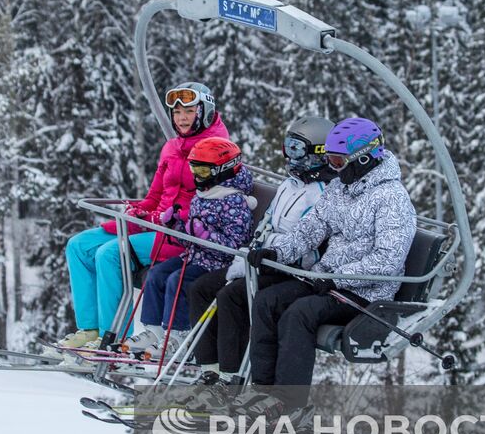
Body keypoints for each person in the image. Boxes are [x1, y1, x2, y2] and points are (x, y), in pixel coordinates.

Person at [243, 117, 416, 411]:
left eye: (337, 162)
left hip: (367, 293)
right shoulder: (340, 189)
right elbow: (312, 228)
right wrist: (276, 252)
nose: (333, 169)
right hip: (327, 281)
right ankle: (262, 392)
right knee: (267, 301)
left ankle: (289, 404)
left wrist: (339, 278)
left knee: (299, 313)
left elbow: (388, 258)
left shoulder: (391, 198)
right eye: (330, 161)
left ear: (362, 159)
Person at [58, 83, 231, 349]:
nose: (182, 118)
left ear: (204, 111)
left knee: (110, 254)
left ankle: (113, 336)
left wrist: (162, 219)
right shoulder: (172, 148)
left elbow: (213, 206)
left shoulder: (217, 151)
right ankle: (89, 329)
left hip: (182, 235)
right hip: (155, 225)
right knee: (78, 245)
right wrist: (140, 212)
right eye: (176, 112)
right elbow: (155, 195)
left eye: (188, 111)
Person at [186, 117, 335, 380]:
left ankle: (231, 378)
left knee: (233, 295)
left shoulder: (324, 193)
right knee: (202, 287)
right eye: (287, 147)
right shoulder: (290, 185)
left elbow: (306, 241)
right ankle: (209, 369)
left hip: (289, 267)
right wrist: (251, 248)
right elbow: (267, 221)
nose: (291, 156)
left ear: (319, 153)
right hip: (262, 257)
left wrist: (266, 251)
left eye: (298, 149)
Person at [123, 137, 256, 357]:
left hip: (217, 265)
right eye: (194, 170)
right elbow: (192, 235)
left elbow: (233, 245)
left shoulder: (236, 202)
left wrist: (204, 234)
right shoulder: (203, 194)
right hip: (194, 256)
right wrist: (178, 225)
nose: (196, 177)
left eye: (202, 172)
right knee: (157, 273)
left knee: (178, 281)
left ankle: (179, 335)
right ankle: (154, 331)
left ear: (222, 170)